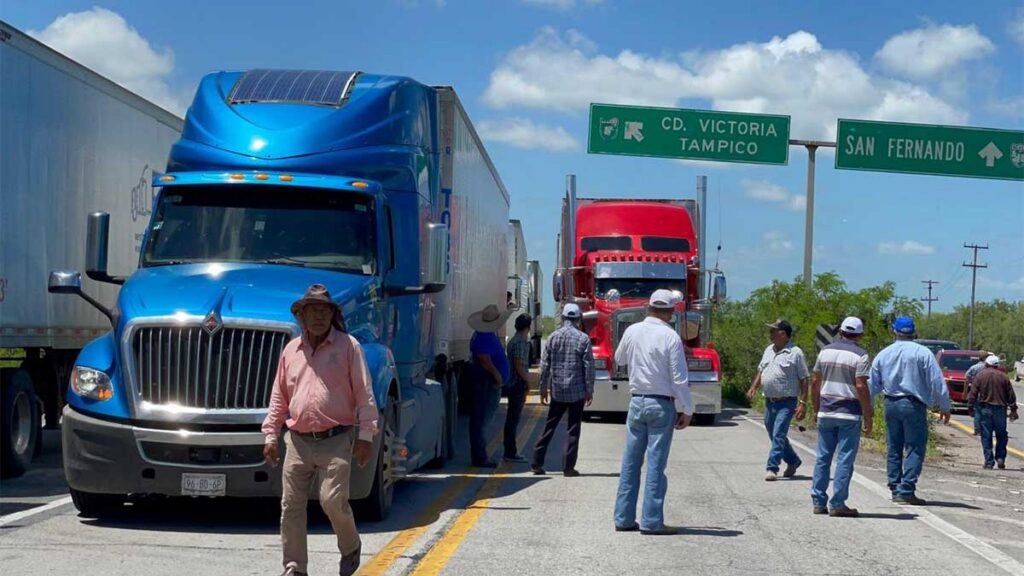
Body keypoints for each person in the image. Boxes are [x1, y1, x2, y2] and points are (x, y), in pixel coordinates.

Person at [262, 284, 379, 576]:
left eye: (324, 311)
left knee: (332, 500)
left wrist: (366, 437)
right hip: (298, 441)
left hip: (336, 438)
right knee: (291, 506)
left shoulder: (349, 346)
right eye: (312, 311)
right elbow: (279, 397)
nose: (318, 317)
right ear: (301, 316)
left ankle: (350, 545)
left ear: (332, 315)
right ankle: (295, 567)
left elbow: (364, 393)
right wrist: (271, 435)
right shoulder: (291, 350)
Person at [612, 290, 693, 535]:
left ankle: (623, 518)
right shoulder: (670, 336)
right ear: (670, 311)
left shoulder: (632, 331)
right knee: (656, 465)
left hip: (637, 401)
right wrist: (687, 409)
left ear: (649, 307)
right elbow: (679, 378)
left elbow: (619, 359)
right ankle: (651, 520)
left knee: (630, 462)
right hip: (661, 404)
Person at [869, 316, 950, 506]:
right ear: (914, 332)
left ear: (894, 332)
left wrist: (867, 407)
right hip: (913, 405)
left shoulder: (884, 354)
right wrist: (944, 405)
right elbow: (936, 381)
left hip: (891, 403)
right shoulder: (923, 353)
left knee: (894, 447)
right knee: (915, 447)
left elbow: (872, 384)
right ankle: (906, 489)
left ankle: (895, 488)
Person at [810, 316, 872, 518]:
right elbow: (861, 385)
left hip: (826, 411)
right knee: (845, 459)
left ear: (841, 332)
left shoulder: (825, 351)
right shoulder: (861, 355)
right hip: (849, 413)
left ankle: (818, 501)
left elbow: (815, 381)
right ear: (860, 335)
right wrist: (868, 414)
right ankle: (837, 503)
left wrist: (816, 408)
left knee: (823, 457)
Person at [531, 303, 594, 477]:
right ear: (579, 319)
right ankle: (568, 467)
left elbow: (544, 365)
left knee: (549, 426)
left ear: (564, 317)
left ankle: (536, 462)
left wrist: (542, 388)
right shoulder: (583, 339)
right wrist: (589, 389)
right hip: (577, 391)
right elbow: (589, 367)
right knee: (573, 429)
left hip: (557, 390)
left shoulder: (553, 337)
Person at [746, 319, 811, 481]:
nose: (770, 334)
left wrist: (803, 403)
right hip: (770, 401)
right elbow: (761, 370)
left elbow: (804, 379)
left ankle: (772, 468)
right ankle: (793, 460)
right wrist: (753, 387)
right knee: (773, 434)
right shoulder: (769, 350)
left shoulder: (795, 353)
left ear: (783, 334)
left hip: (787, 402)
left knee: (778, 434)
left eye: (773, 331)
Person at [467, 304, 513, 468]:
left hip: (485, 381)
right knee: (482, 420)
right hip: (486, 381)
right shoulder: (484, 337)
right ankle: (480, 457)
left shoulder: (482, 334)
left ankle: (480, 455)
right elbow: (484, 358)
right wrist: (497, 375)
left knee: (481, 419)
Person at [968, 355, 1019, 470]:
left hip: (985, 409)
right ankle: (1000, 458)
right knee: (1001, 435)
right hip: (1000, 410)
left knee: (986, 435)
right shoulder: (1003, 377)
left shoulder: (980, 375)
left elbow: (973, 393)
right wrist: (1013, 410)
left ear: (986, 364)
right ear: (997, 365)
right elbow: (1011, 395)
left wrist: (970, 407)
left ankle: (989, 461)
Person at [503, 313, 533, 463]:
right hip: (517, 384)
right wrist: (528, 380)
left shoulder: (514, 340)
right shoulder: (520, 342)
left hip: (513, 383)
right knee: (513, 419)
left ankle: (510, 450)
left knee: (512, 419)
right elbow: (518, 365)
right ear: (527, 327)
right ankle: (510, 452)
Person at [964, 351, 991, 436]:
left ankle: (978, 430)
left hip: (976, 392)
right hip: (989, 392)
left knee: (978, 411)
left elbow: (967, 377)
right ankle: (985, 429)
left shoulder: (974, 367)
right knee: (987, 412)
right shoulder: (990, 369)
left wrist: (966, 391)